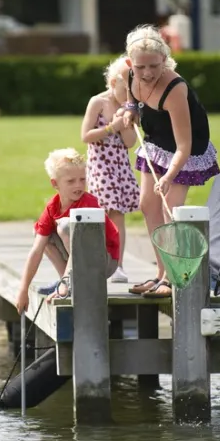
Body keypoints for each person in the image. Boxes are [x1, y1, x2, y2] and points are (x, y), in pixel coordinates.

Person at [113, 24, 220, 298]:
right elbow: (131, 99)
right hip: (157, 142)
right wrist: (129, 111)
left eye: (154, 66)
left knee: (169, 208)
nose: (147, 73)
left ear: (164, 60)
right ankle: (161, 273)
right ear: (130, 64)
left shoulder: (174, 89)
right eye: (141, 67)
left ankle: (174, 277)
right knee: (147, 204)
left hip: (184, 150)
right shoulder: (129, 75)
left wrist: (169, 176)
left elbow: (184, 145)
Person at [15, 148, 121, 314]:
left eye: (82, 179)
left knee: (65, 226)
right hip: (81, 258)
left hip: (104, 260)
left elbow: (87, 245)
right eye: (71, 181)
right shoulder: (53, 206)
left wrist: (65, 286)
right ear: (55, 183)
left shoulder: (88, 203)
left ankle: (67, 284)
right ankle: (66, 281)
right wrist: (23, 289)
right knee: (41, 235)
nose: (79, 185)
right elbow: (36, 250)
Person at [80, 55, 140, 283]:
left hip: (120, 167)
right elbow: (85, 135)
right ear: (113, 83)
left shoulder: (130, 107)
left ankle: (118, 265)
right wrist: (110, 127)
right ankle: (98, 263)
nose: (130, 97)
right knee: (102, 214)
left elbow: (130, 142)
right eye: (126, 91)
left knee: (118, 216)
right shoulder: (98, 102)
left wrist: (125, 122)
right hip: (101, 166)